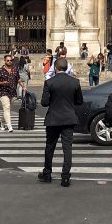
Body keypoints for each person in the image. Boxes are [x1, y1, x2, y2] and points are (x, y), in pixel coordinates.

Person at [37, 57, 83, 187]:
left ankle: (47, 173)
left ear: (55, 68)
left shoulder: (49, 82)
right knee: (67, 148)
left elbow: (44, 103)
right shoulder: (75, 82)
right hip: (69, 118)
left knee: (50, 146)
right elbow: (79, 101)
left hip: (53, 118)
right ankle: (65, 177)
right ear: (66, 67)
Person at [0, 54, 21, 132]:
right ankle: (9, 126)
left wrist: (23, 86)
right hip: (2, 91)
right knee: (7, 106)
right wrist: (2, 83)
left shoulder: (15, 69)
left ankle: (2, 122)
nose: (9, 62)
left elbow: (18, 79)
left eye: (10, 60)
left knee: (7, 109)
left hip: (12, 91)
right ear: (4, 61)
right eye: (7, 60)